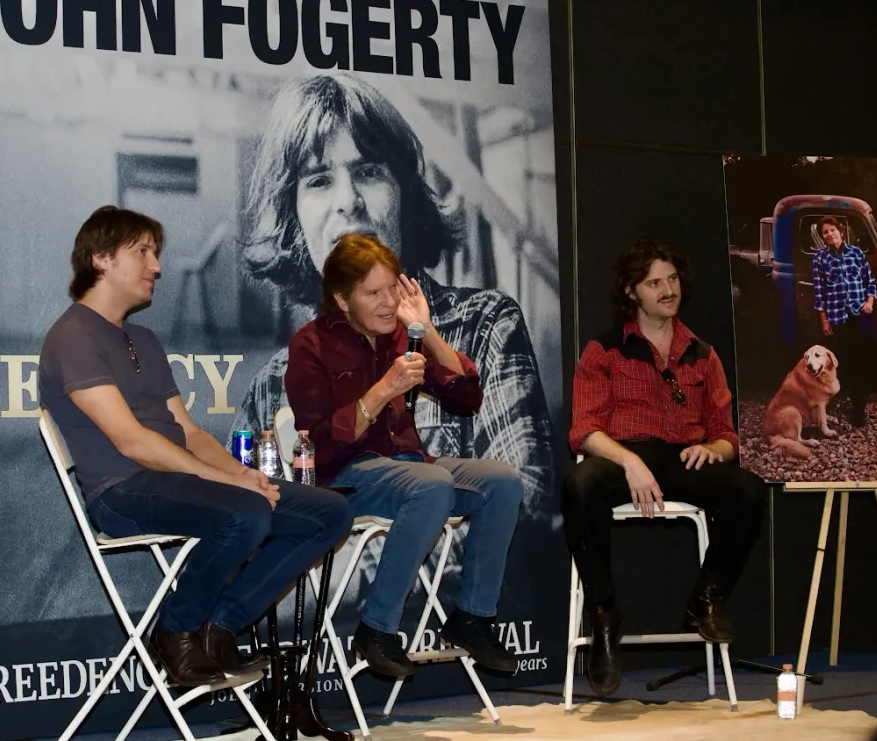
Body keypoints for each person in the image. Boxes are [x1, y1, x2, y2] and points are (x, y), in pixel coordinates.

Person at [39, 206, 352, 687]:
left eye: (156, 253)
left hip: (176, 481)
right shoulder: (72, 337)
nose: (157, 266)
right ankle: (176, 631)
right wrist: (230, 482)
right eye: (142, 251)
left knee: (329, 514)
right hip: (121, 491)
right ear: (100, 259)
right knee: (244, 514)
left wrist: (244, 474)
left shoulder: (141, 339)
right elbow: (132, 441)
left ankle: (219, 627)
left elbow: (187, 431)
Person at [236, 72, 554, 520]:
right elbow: (239, 534)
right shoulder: (271, 387)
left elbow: (524, 501)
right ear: (294, 220)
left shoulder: (485, 329)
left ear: (405, 196)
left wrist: (347, 565)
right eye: (319, 180)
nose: (348, 200)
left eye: (368, 172)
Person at [285, 233, 522, 678]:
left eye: (393, 288)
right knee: (432, 486)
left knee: (502, 481)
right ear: (342, 298)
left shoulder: (403, 335)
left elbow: (466, 398)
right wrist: (384, 391)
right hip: (344, 479)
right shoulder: (310, 345)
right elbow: (318, 442)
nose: (388, 302)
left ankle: (472, 616)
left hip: (410, 467)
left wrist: (427, 332)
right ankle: (376, 629)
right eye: (373, 293)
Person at [564, 237, 766, 697]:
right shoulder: (605, 350)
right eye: (654, 282)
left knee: (749, 490)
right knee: (580, 484)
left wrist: (715, 448)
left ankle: (706, 600)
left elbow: (728, 433)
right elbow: (584, 431)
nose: (667, 289)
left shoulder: (702, 353)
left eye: (672, 279)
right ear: (633, 292)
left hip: (684, 457)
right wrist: (629, 460)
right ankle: (604, 614)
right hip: (625, 454)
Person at [812, 216, 876, 427]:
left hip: (860, 313)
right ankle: (844, 402)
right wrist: (824, 320)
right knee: (843, 362)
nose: (829, 234)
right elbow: (819, 291)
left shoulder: (856, 253)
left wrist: (869, 302)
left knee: (862, 361)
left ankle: (859, 409)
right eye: (825, 233)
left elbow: (870, 281)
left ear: (841, 231)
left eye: (832, 230)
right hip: (837, 316)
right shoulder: (820, 258)